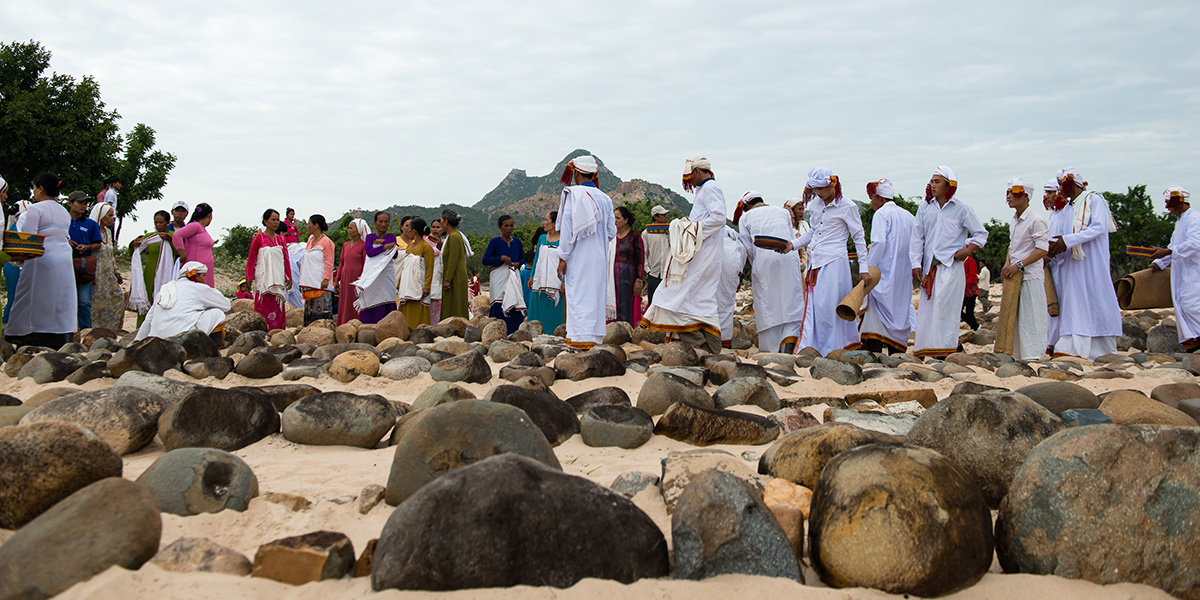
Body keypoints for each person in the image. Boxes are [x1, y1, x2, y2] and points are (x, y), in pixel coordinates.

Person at [640, 155, 725, 354]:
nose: (690, 183)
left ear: (696, 172)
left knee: (671, 294)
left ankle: (701, 344)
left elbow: (719, 218)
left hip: (702, 253)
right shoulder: (704, 190)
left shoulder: (710, 188)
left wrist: (690, 228)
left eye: (690, 177)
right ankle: (709, 347)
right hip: (700, 251)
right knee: (697, 297)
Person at [784, 169, 869, 355]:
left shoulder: (847, 206)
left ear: (832, 185)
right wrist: (793, 245)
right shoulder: (814, 205)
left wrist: (863, 267)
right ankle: (816, 346)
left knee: (831, 306)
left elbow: (859, 237)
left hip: (835, 262)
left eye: (822, 189)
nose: (819, 193)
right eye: (815, 189)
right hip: (816, 261)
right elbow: (813, 232)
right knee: (817, 307)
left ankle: (836, 347)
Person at [910, 166, 989, 359]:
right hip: (930, 267)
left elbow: (981, 233)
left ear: (949, 185)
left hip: (951, 267)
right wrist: (915, 264)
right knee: (928, 310)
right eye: (932, 181)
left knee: (946, 308)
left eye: (937, 181)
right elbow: (917, 237)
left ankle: (945, 351)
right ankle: (926, 348)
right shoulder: (925, 207)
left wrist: (968, 250)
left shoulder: (962, 209)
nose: (932, 185)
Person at [1046, 168, 1121, 360]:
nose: (1059, 190)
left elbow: (1098, 227)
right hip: (1073, 266)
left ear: (1070, 184)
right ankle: (1072, 347)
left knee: (1096, 298)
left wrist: (1068, 240)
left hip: (1092, 262)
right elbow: (1064, 237)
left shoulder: (1094, 199)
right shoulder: (1069, 208)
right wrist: (1055, 249)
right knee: (1075, 302)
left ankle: (1101, 349)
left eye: (1061, 185)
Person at [6, 173, 77, 348]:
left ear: (41, 189)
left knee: (30, 296)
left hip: (42, 256)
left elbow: (29, 240)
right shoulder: (63, 211)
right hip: (64, 258)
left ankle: (24, 334)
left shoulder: (36, 209)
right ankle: (60, 335)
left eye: (34, 188)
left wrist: (17, 259)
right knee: (60, 297)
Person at [556, 155, 616, 349]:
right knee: (596, 295)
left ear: (576, 173)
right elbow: (611, 232)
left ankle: (580, 339)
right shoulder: (605, 198)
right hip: (599, 256)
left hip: (578, 256)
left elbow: (567, 229)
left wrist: (563, 257)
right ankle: (595, 339)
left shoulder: (572, 194)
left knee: (579, 294)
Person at [735, 192, 803, 353]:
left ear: (746, 206)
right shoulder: (783, 212)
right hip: (788, 259)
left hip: (764, 262)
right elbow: (790, 236)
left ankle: (771, 349)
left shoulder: (746, 218)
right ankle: (789, 344)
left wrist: (755, 264)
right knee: (789, 301)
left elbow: (747, 248)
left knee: (768, 303)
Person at [860, 179, 916, 354]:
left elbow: (878, 242)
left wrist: (869, 267)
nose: (871, 203)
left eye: (872, 199)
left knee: (876, 316)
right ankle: (896, 355)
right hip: (903, 275)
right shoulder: (909, 216)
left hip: (883, 274)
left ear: (880, 198)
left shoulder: (881, 214)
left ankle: (877, 355)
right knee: (899, 313)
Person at [1000, 177, 1050, 360]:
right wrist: (1008, 264)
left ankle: (1034, 355)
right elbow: (1012, 246)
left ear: (1025, 196)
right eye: (1007, 193)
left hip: (1030, 275)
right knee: (1015, 314)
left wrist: (1018, 265)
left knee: (1032, 315)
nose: (1009, 197)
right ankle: (1015, 353)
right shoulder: (1014, 220)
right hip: (1014, 275)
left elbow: (1043, 249)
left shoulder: (1036, 220)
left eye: (1013, 194)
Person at [1150, 186, 1200, 351]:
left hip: (1194, 270)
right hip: (1183, 272)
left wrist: (1169, 252)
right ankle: (1192, 342)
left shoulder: (1194, 218)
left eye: (1167, 202)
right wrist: (1160, 262)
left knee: (1191, 305)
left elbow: (1195, 243)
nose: (1166, 206)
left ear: (1178, 202)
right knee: (1183, 304)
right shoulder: (1180, 221)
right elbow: (1174, 246)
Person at [134, 261, 231, 345]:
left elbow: (149, 318)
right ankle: (212, 351)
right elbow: (226, 305)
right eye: (203, 276)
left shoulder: (165, 289)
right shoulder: (198, 288)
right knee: (218, 313)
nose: (204, 280)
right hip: (182, 340)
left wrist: (138, 340)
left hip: (156, 340)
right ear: (195, 276)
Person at [128, 210, 179, 328]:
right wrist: (132, 245)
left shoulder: (174, 236)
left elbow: (180, 251)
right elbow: (135, 251)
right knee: (147, 299)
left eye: (161, 222)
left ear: (167, 222)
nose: (158, 225)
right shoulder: (150, 237)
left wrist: (170, 241)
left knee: (163, 300)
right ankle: (140, 329)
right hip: (149, 273)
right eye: (156, 222)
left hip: (166, 273)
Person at [244, 209, 293, 330]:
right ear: (265, 221)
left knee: (277, 304)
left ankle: (277, 331)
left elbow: (285, 259)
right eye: (273, 220)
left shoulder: (281, 240)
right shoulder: (258, 238)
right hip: (264, 278)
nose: (276, 222)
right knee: (263, 303)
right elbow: (251, 259)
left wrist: (289, 277)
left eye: (277, 220)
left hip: (277, 277)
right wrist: (249, 276)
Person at [483, 214, 525, 334]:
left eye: (511, 226)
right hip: (499, 278)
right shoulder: (495, 242)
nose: (509, 228)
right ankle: (497, 332)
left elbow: (522, 258)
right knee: (499, 302)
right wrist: (500, 258)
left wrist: (518, 263)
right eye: (506, 226)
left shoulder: (517, 242)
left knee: (514, 300)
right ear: (500, 227)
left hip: (513, 276)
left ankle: (514, 331)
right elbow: (485, 260)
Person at [66, 190, 103, 329]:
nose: (83, 206)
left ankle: (85, 331)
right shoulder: (62, 221)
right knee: (64, 301)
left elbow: (98, 244)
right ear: (70, 203)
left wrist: (87, 247)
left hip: (83, 265)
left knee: (83, 302)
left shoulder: (91, 224)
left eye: (85, 203)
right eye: (80, 202)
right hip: (63, 264)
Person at [87, 202, 125, 331]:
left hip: (108, 273)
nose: (111, 219)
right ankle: (92, 330)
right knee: (95, 302)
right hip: (95, 272)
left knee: (117, 298)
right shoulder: (91, 231)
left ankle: (111, 329)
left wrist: (117, 272)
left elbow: (111, 255)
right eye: (109, 215)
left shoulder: (108, 232)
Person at [356, 211, 399, 324]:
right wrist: (385, 246)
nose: (383, 224)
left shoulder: (391, 236)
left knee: (387, 296)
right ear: (375, 223)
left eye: (386, 222)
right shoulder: (370, 237)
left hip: (386, 274)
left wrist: (382, 244)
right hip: (373, 274)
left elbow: (394, 254)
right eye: (380, 221)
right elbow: (370, 252)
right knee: (372, 295)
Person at [527, 210, 565, 334]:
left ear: (554, 223)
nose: (544, 223)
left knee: (554, 310)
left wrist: (564, 281)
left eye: (546, 220)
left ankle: (553, 333)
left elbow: (566, 262)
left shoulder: (564, 240)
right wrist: (532, 276)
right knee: (536, 308)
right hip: (540, 280)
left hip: (556, 282)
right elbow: (537, 257)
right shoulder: (542, 238)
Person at [2, 180, 32, 326]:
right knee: (15, 297)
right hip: (13, 264)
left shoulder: (11, 227)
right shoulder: (15, 228)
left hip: (13, 264)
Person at [398, 217, 436, 329]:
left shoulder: (426, 247)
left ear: (413, 231)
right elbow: (405, 266)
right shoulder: (409, 246)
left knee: (420, 310)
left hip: (419, 285)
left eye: (409, 229)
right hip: (407, 285)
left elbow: (429, 268)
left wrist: (427, 286)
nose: (407, 232)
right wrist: (400, 281)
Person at [612, 206, 645, 325]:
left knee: (626, 303)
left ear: (626, 220)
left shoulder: (635, 236)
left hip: (628, 277)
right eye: (613, 217)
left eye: (618, 218)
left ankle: (627, 330)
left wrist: (639, 279)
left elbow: (640, 259)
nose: (614, 220)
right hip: (611, 277)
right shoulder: (609, 237)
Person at [300, 214, 335, 324]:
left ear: (316, 225)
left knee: (321, 312)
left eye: (309, 224)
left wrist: (326, 279)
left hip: (320, 283)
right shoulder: (310, 241)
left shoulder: (326, 242)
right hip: (310, 283)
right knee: (310, 312)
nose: (307, 226)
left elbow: (329, 261)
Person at [172, 203, 216, 287]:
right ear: (209, 216)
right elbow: (177, 235)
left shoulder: (201, 229)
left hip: (204, 269)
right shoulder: (195, 226)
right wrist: (182, 254)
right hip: (196, 268)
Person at [1043, 178, 1064, 353]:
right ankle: (1051, 341)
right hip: (1053, 267)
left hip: (1065, 266)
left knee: (1063, 305)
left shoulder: (1067, 213)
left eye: (1050, 192)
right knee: (1052, 305)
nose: (1047, 197)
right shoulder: (1053, 215)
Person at [719, 224, 748, 348]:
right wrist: (738, 277)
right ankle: (724, 341)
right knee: (726, 306)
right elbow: (742, 254)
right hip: (730, 273)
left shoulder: (703, 229)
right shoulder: (734, 238)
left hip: (711, 270)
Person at [337, 218, 369, 326]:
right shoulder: (345, 245)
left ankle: (356, 324)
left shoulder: (364, 245)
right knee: (345, 301)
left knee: (355, 300)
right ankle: (344, 324)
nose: (348, 230)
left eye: (351, 228)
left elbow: (366, 264)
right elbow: (342, 263)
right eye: (349, 228)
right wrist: (337, 279)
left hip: (357, 279)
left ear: (359, 230)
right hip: (346, 278)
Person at [439, 209, 470, 320]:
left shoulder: (453, 237)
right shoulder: (456, 236)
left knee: (454, 304)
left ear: (446, 221)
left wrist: (447, 279)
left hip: (455, 275)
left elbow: (453, 259)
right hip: (456, 274)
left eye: (441, 220)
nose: (440, 222)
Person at [643, 205, 671, 306]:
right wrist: (648, 270)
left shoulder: (670, 232)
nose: (665, 217)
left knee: (667, 303)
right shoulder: (646, 233)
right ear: (656, 217)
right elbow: (644, 254)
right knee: (653, 303)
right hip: (654, 274)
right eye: (663, 215)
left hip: (668, 273)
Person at [784, 196, 811, 277]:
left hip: (807, 263)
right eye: (799, 209)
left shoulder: (804, 225)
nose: (802, 212)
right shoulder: (786, 228)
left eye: (802, 209)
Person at [426, 218, 445, 323]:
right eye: (433, 227)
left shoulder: (445, 242)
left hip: (440, 276)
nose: (435, 229)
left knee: (439, 304)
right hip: (429, 275)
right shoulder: (425, 242)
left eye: (438, 227)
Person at [962, 256, 981, 331]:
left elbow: (973, 276)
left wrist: (963, 284)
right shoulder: (960, 261)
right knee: (960, 310)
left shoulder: (970, 261)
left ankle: (975, 326)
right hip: (963, 289)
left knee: (969, 311)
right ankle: (974, 325)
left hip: (970, 290)